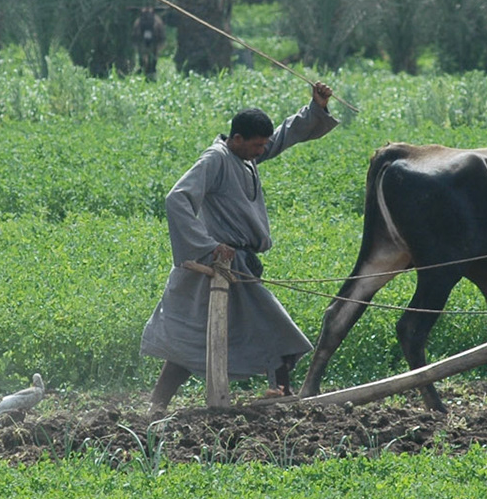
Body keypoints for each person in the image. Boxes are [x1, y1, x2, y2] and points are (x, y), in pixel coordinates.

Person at [142, 81, 339, 413]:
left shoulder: (246, 157)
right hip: (218, 266)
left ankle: (278, 390)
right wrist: (207, 246)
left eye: (263, 145)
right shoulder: (216, 159)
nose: (263, 150)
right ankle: (277, 390)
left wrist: (315, 109)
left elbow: (283, 135)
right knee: (260, 326)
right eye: (257, 145)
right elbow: (177, 199)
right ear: (237, 139)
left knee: (250, 328)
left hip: (242, 264)